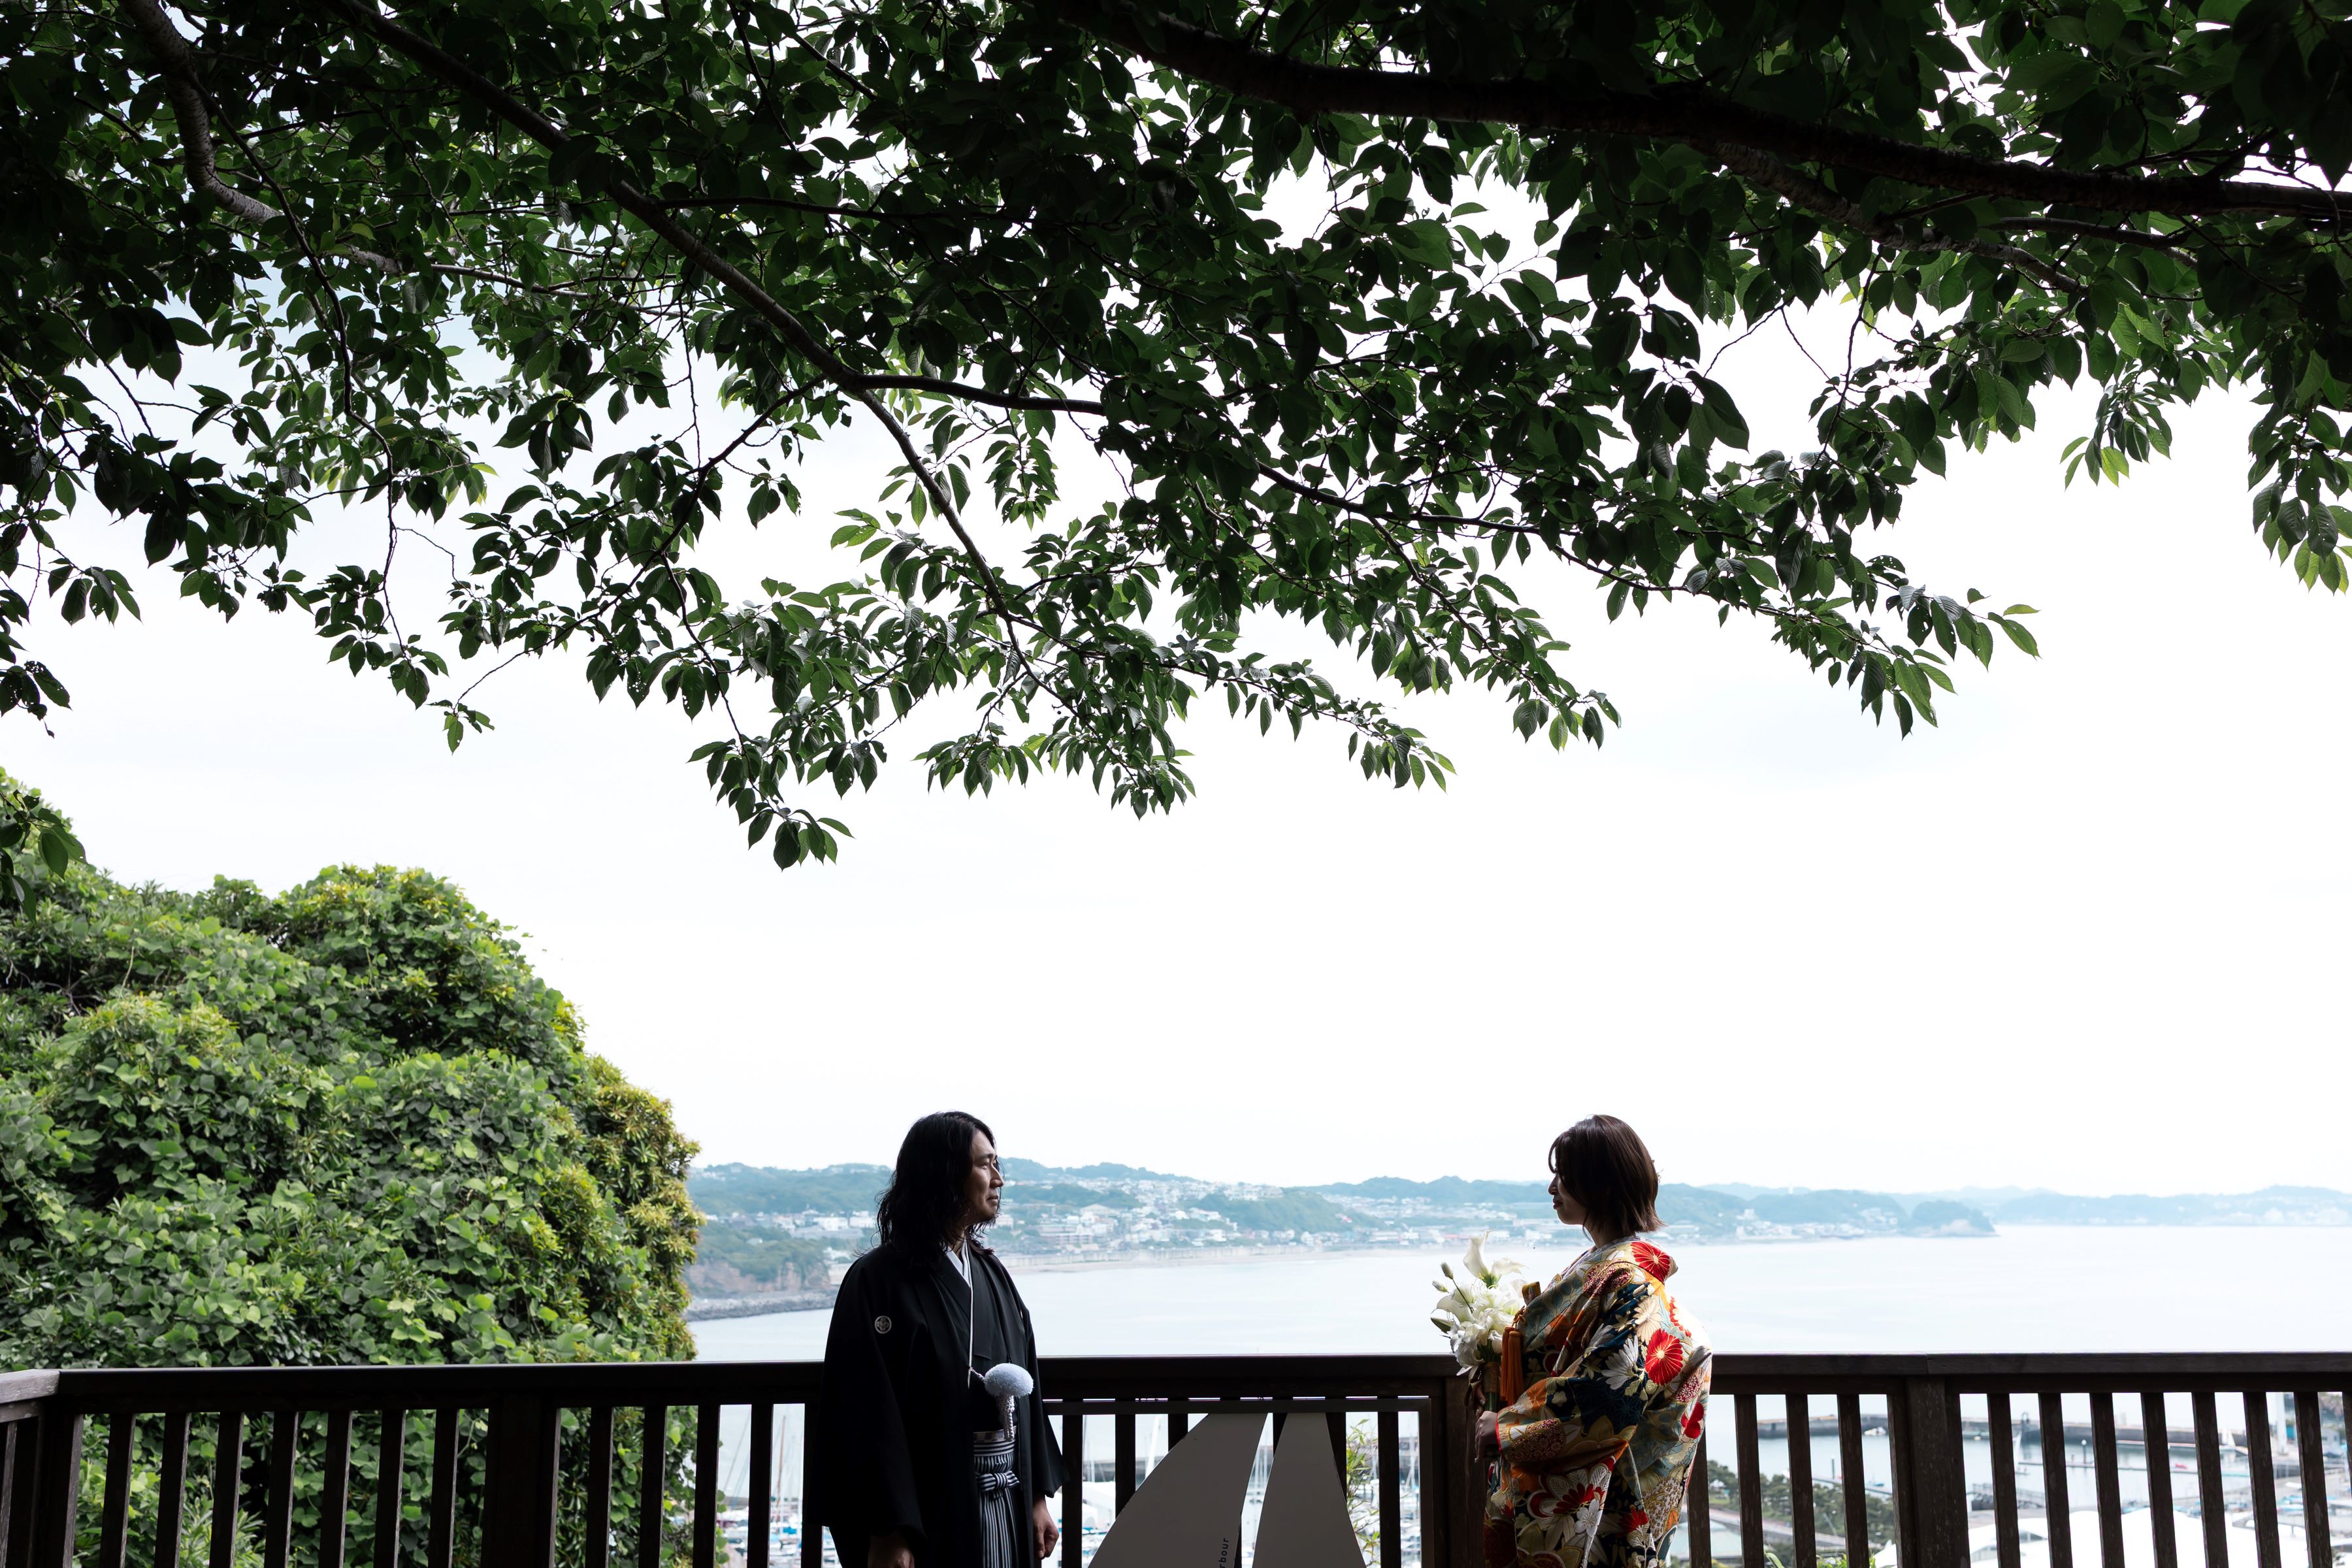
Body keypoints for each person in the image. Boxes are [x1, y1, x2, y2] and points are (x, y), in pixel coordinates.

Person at [811, 1113, 1064, 1568]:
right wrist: (889, 1529)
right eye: (985, 1165)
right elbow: (864, 1411)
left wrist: (1036, 1498)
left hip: (1004, 1495)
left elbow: (1029, 1391)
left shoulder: (993, 1275)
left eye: (996, 1163)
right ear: (944, 1175)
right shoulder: (876, 1281)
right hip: (926, 1507)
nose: (999, 1179)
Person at [1475, 1114, 1712, 1568]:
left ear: (1599, 1184)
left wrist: (1509, 1427)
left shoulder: (1631, 1282)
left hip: (1603, 1505)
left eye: (1563, 1176)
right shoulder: (1604, 1266)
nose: (1552, 1188)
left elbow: (1609, 1396)